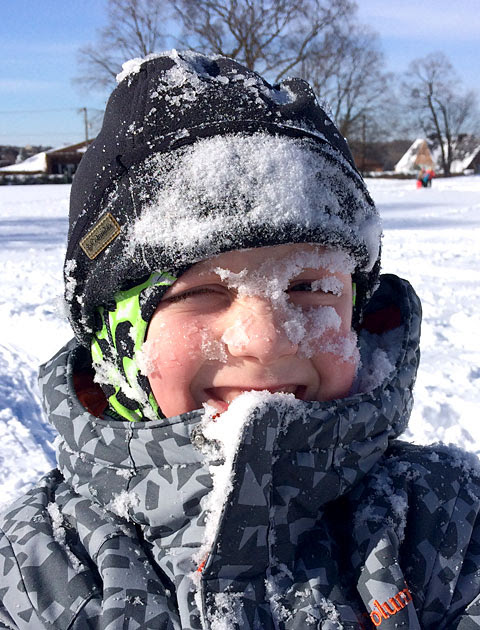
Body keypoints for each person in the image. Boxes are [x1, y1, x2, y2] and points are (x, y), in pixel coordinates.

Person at [1, 50, 479, 630]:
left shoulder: (449, 523)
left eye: (310, 286)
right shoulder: (35, 569)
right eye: (201, 292)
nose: (268, 340)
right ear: (116, 341)